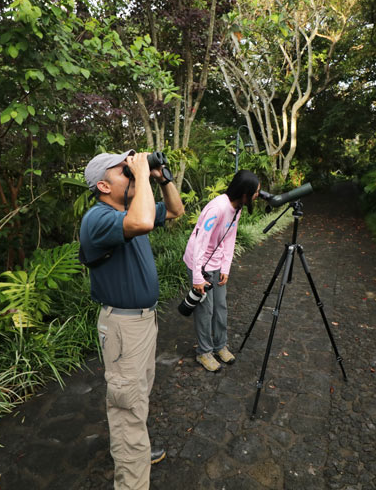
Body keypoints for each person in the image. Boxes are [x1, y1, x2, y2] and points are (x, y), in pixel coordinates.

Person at [79, 149, 184, 489]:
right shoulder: (98, 218)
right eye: (124, 171)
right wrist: (141, 175)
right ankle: (132, 474)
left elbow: (174, 211)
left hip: (142, 323)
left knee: (138, 397)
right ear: (103, 186)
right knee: (127, 406)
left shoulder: (127, 210)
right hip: (124, 327)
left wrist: (161, 177)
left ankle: (135, 448)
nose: (132, 172)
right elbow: (141, 222)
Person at [183, 169, 260, 372]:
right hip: (199, 263)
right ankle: (204, 352)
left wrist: (225, 266)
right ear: (245, 193)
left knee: (220, 307)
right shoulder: (217, 208)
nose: (257, 195)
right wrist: (198, 277)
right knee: (205, 310)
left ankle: (220, 346)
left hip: (216, 263)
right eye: (255, 192)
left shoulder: (237, 208)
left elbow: (229, 238)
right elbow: (200, 242)